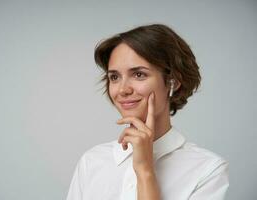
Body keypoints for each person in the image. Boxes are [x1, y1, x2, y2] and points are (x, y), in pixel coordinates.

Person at [66, 24, 229, 200]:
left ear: (174, 82)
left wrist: (145, 171)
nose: (122, 90)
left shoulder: (207, 170)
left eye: (139, 75)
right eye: (114, 77)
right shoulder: (92, 162)